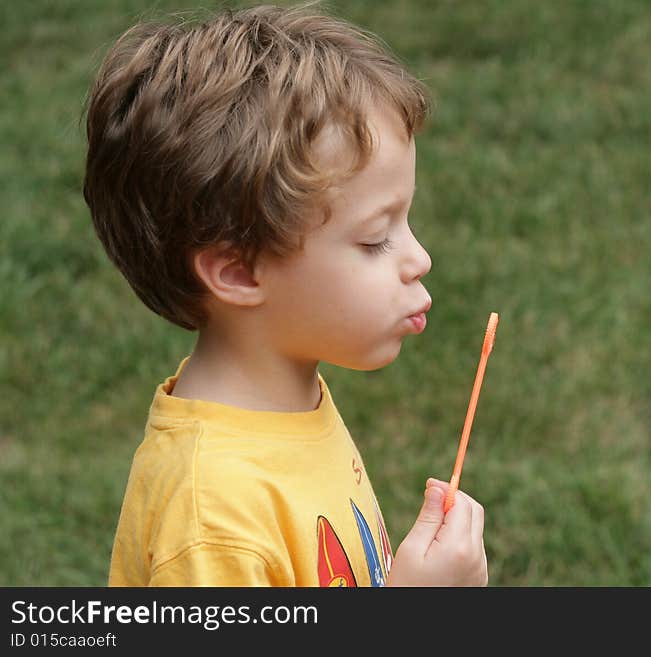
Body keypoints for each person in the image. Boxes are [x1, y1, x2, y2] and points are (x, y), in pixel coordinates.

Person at [83, 3, 488, 587]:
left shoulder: (285, 402)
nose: (419, 259)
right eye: (376, 239)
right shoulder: (212, 518)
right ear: (240, 272)